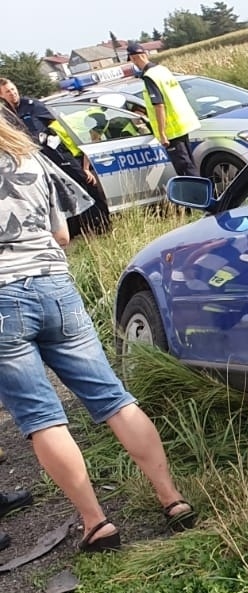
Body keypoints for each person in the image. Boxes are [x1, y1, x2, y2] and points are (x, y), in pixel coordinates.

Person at [0, 117, 196, 553]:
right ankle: (172, 499)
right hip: (55, 286)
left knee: (42, 418)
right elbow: (62, 234)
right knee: (113, 398)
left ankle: (96, 522)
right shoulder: (30, 156)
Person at [0, 77, 112, 236]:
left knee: (84, 184)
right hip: (40, 162)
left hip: (60, 156)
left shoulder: (33, 106)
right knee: (60, 195)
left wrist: (82, 162)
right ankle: (78, 230)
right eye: (8, 92)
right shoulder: (7, 115)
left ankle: (103, 225)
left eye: (13, 89)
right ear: (2, 95)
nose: (12, 93)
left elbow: (62, 129)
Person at [126, 43, 200, 178]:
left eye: (132, 60)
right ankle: (203, 189)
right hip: (183, 122)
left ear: (133, 58)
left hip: (171, 129)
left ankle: (198, 191)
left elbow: (159, 105)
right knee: (190, 164)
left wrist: (162, 134)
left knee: (185, 168)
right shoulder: (162, 70)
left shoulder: (149, 76)